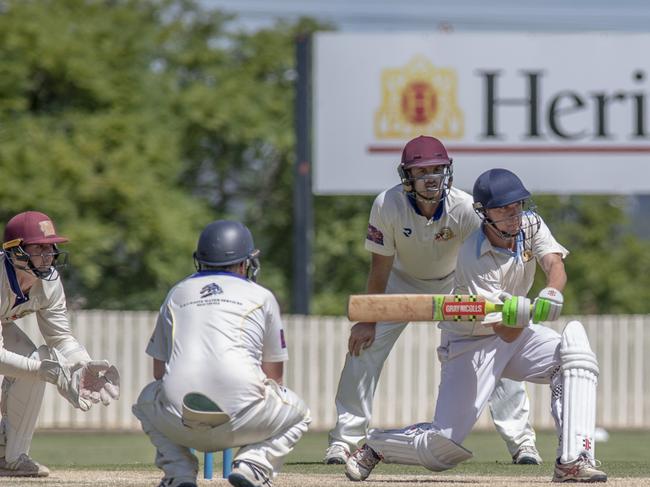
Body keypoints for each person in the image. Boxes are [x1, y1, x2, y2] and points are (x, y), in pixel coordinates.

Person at [345, 168, 607, 483]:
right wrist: (525, 314)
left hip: (519, 335)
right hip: (471, 345)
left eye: (517, 206)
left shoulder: (531, 224)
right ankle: (376, 445)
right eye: (503, 209)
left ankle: (574, 460)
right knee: (440, 448)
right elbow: (503, 331)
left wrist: (551, 290)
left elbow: (554, 262)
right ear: (483, 213)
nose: (513, 215)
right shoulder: (473, 258)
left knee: (574, 356)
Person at [325, 136, 541, 466]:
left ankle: (521, 440)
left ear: (448, 171)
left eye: (437, 169)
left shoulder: (466, 208)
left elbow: (489, 257)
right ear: (406, 176)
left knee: (497, 342)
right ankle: (344, 440)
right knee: (363, 347)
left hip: (458, 284)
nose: (431, 178)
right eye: (421, 171)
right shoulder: (387, 205)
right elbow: (380, 265)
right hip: (403, 283)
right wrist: (368, 317)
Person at [133, 220, 310, 487]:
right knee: (300, 413)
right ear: (244, 263)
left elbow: (159, 372)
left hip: (180, 422)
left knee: (146, 400)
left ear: (200, 260)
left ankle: (178, 472)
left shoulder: (177, 293)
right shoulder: (261, 295)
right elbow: (274, 377)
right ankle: (255, 463)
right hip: (244, 422)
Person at [0, 210, 120, 477]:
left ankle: (11, 457)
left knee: (33, 358)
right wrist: (44, 370)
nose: (48, 254)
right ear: (15, 251)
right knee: (35, 365)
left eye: (50, 247)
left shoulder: (49, 282)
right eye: (39, 247)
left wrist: (82, 365)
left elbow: (60, 338)